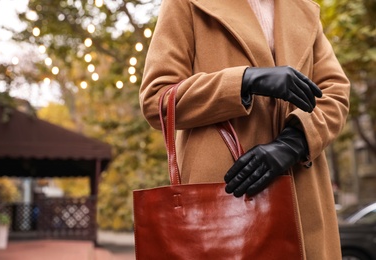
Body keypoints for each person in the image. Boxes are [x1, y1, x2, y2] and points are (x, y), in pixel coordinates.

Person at [139, 0, 350, 259]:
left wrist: (294, 142)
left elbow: (335, 93)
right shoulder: (186, 3)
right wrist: (245, 81)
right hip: (227, 195)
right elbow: (157, 99)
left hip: (302, 190)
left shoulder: (302, 7)